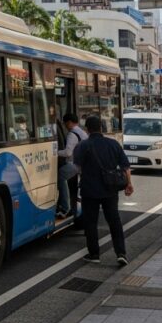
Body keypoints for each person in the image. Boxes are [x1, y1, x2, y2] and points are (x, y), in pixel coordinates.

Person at [73, 115, 133, 266]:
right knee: (114, 221)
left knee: (91, 223)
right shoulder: (113, 144)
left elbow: (77, 167)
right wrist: (129, 184)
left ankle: (94, 254)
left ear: (87, 129)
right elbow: (126, 167)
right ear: (102, 128)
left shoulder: (82, 146)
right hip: (110, 190)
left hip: (89, 190)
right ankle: (121, 253)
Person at [56, 113, 86, 219]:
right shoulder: (82, 132)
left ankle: (65, 207)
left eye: (65, 124)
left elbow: (68, 153)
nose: (65, 126)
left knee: (60, 176)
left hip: (75, 163)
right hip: (83, 163)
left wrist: (55, 152)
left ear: (69, 123)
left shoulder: (72, 134)